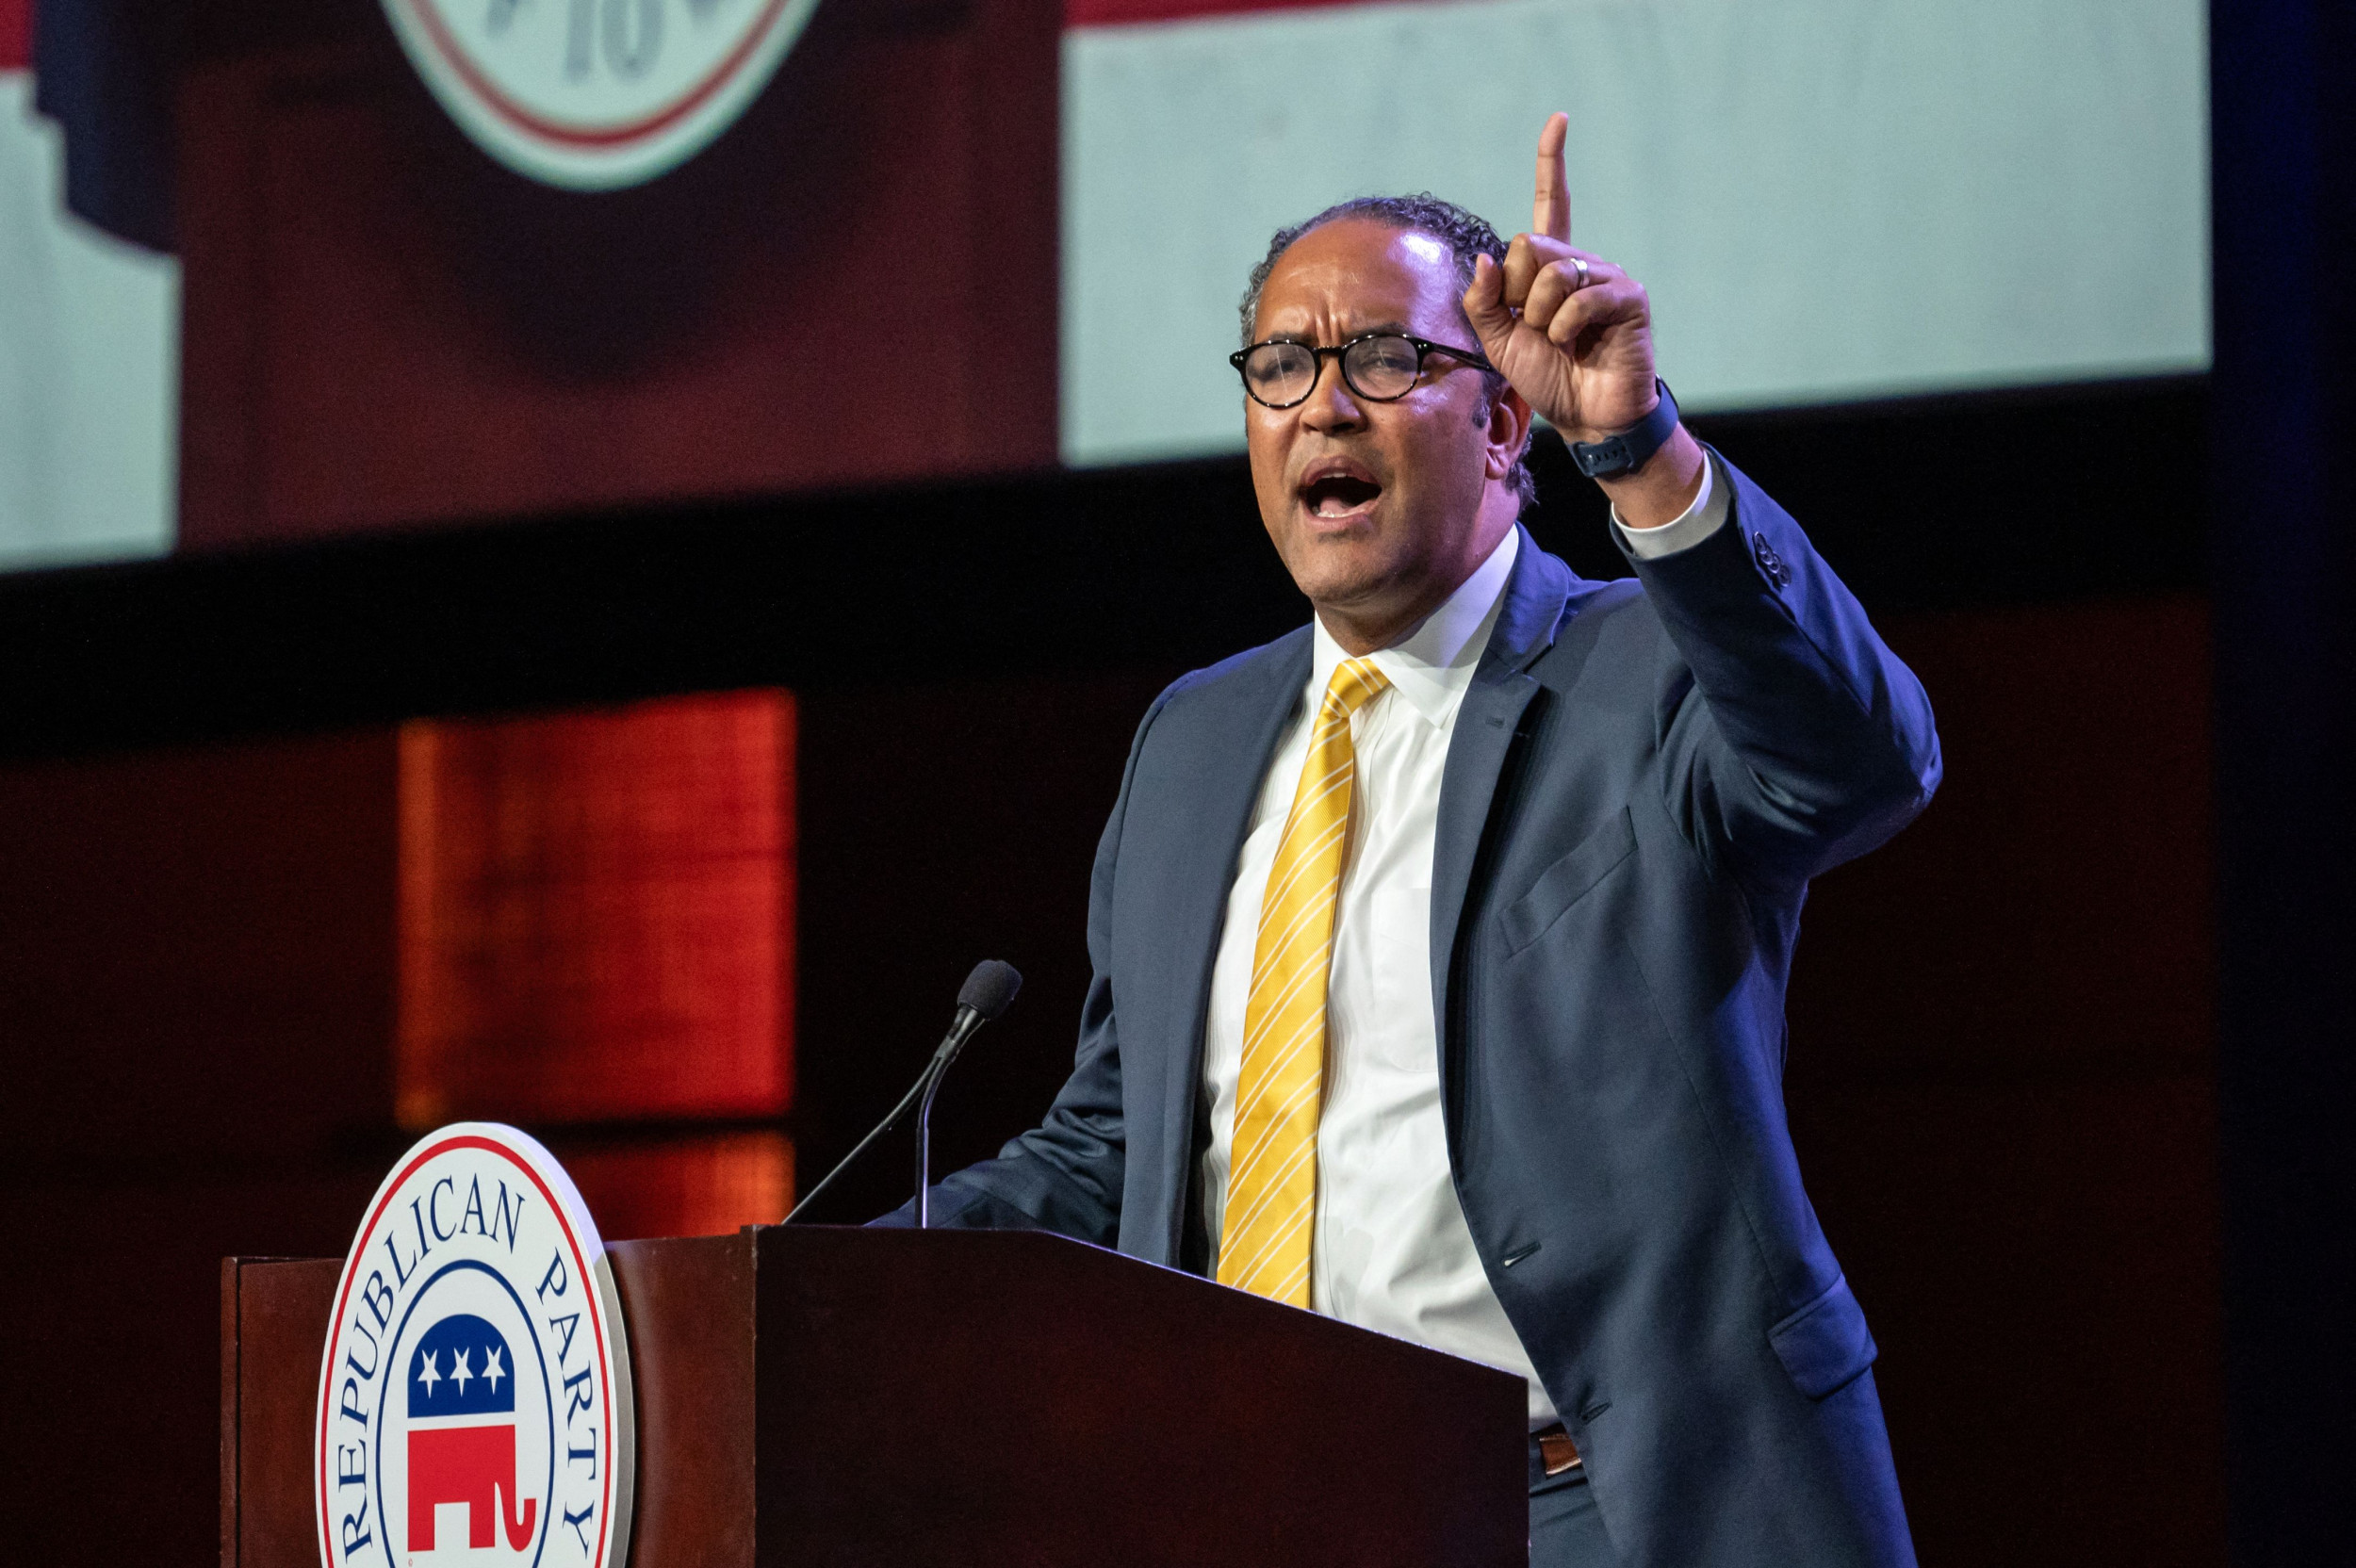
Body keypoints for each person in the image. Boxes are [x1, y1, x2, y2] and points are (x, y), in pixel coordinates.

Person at [889, 115, 1939, 1567]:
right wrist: (825, 1287)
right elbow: (1118, 1149)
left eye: (1385, 360)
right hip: (1259, 1506)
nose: (1325, 407)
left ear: (1507, 421)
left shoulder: (1644, 670)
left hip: (1609, 1509)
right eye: (1281, 367)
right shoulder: (1191, 742)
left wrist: (1639, 450)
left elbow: (1862, 763)